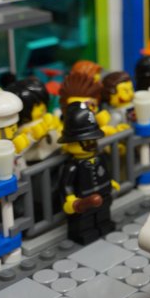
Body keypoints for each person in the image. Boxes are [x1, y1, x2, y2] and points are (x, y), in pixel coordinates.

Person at [58, 102, 119, 245]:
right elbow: (66, 184)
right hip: (84, 199)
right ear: (70, 143)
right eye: (86, 142)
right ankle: (84, 233)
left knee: (103, 212)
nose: (91, 145)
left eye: (93, 141)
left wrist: (110, 182)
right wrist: (70, 198)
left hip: (104, 194)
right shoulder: (73, 166)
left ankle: (104, 225)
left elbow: (104, 173)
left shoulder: (100, 158)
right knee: (84, 218)